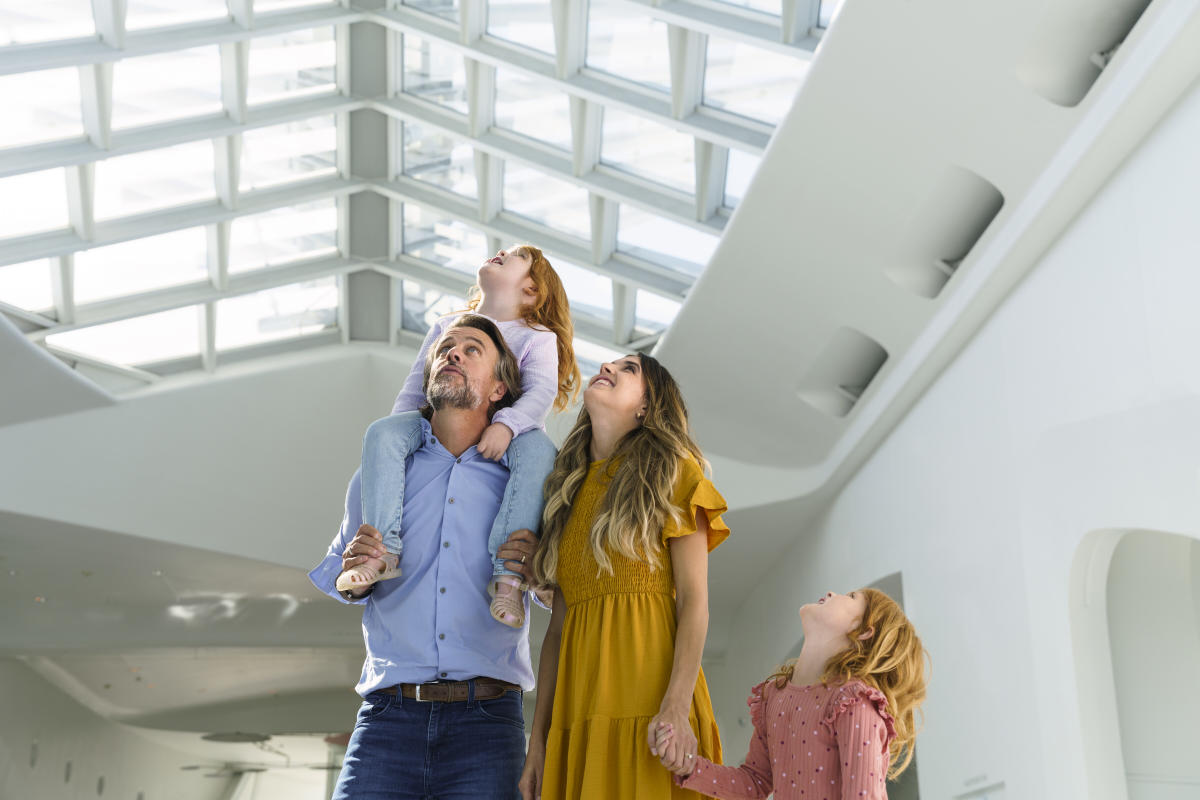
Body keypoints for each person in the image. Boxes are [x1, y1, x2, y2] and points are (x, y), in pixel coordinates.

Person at [310, 314, 542, 800]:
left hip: (489, 722)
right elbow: (338, 573)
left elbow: (550, 595)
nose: (452, 352)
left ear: (499, 390)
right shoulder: (380, 473)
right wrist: (358, 569)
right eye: (445, 348)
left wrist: (541, 569)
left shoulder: (523, 482)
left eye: (471, 349)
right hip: (386, 718)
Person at [520, 353, 730, 800]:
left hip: (654, 710)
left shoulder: (675, 472)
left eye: (629, 368)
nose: (609, 368)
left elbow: (694, 600)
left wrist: (675, 706)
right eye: (611, 363)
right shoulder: (565, 494)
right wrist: (537, 741)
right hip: (578, 719)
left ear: (647, 407)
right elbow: (555, 632)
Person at [337, 245, 579, 629]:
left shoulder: (537, 335)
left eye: (515, 256)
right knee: (381, 434)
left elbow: (541, 392)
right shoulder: (444, 326)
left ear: (531, 290)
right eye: (450, 349)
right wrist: (401, 435)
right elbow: (417, 384)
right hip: (436, 421)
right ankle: (381, 553)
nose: (500, 251)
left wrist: (508, 425)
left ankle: (509, 576)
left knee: (540, 454)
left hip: (514, 431)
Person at [654, 588, 927, 800]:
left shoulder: (854, 703)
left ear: (864, 632)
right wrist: (688, 766)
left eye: (852, 596)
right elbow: (754, 783)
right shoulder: (775, 697)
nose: (833, 593)